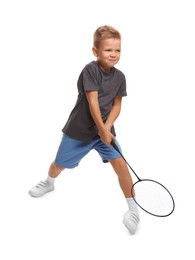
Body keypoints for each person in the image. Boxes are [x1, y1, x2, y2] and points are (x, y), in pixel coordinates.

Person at [29, 25, 140, 234]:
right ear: (95, 52)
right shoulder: (90, 70)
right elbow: (92, 102)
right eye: (108, 50)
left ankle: (133, 211)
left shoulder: (120, 77)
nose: (114, 54)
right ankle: (49, 182)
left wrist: (106, 129)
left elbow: (117, 105)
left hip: (104, 133)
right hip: (79, 131)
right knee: (58, 165)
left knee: (121, 165)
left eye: (118, 50)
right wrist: (101, 128)